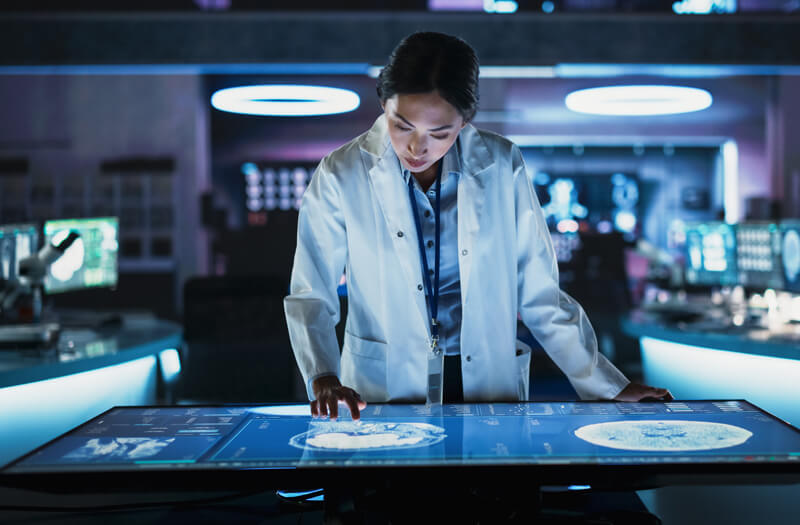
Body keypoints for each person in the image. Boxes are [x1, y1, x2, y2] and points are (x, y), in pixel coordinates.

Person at [284, 32, 671, 420]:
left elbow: (539, 294)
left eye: (440, 134)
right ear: (384, 103)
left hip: (486, 378)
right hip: (382, 382)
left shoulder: (502, 166)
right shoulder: (341, 173)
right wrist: (323, 375)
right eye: (402, 125)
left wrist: (609, 385)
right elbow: (312, 291)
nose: (417, 148)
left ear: (465, 121)